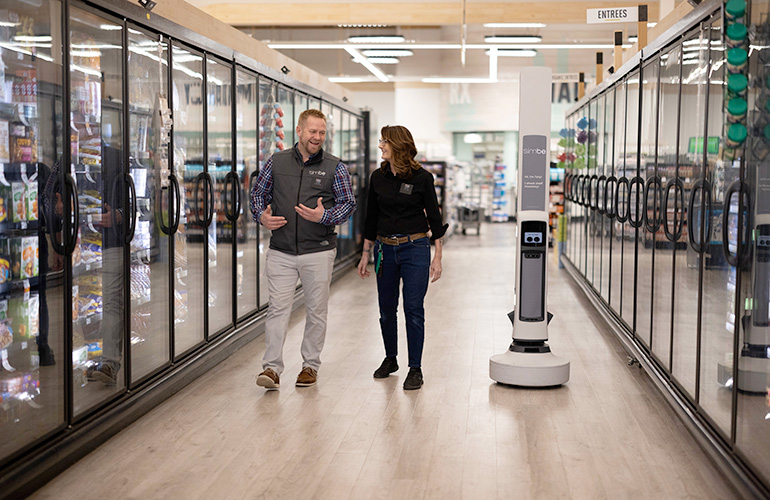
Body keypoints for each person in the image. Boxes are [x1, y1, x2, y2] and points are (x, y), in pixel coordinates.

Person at [250, 109, 356, 390]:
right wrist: (261, 215)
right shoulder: (277, 161)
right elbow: (258, 194)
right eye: (312, 132)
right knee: (277, 309)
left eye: (322, 133)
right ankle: (271, 369)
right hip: (281, 250)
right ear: (299, 131)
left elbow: (347, 204)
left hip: (318, 251)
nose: (317, 137)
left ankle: (310, 366)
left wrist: (323, 217)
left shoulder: (336, 166)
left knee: (316, 310)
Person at [357, 125, 447, 390]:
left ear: (397, 145)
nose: (380, 146)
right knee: (386, 310)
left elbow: (435, 218)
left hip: (415, 248)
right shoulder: (377, 178)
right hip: (384, 250)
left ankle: (415, 368)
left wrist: (438, 255)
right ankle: (390, 359)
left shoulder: (422, 178)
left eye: (384, 141)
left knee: (413, 309)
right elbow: (371, 218)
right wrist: (365, 253)